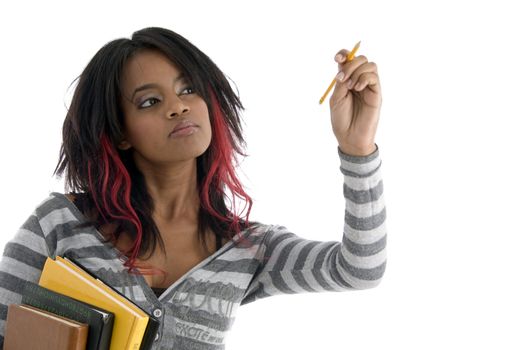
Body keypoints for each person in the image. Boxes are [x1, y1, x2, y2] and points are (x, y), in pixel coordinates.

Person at [0, 27, 386, 349]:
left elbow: (361, 269)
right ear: (120, 133)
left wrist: (357, 150)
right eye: (149, 101)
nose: (177, 107)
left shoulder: (249, 248)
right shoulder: (59, 224)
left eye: (188, 90)